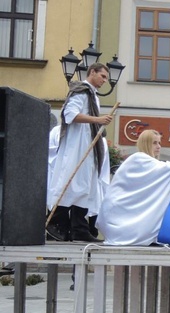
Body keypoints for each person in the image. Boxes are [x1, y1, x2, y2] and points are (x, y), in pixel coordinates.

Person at [47, 62, 113, 242]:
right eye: (103, 76)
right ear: (92, 72)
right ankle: (53, 221)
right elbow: (70, 114)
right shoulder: (82, 92)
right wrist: (97, 119)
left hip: (87, 147)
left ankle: (79, 229)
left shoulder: (92, 95)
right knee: (72, 183)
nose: (105, 81)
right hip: (77, 146)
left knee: (85, 186)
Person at [96, 130, 170, 246]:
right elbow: (166, 169)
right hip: (119, 220)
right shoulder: (139, 158)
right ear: (146, 143)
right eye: (154, 143)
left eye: (159, 143)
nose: (159, 147)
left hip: (122, 217)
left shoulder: (148, 162)